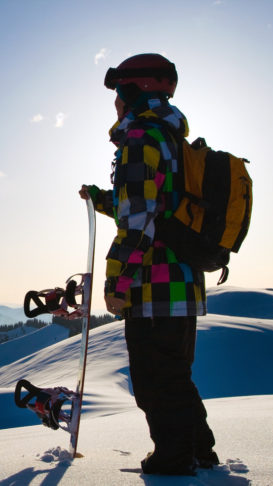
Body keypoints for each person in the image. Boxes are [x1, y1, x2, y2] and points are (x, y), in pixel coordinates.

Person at [79, 53, 219, 475]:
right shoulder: (170, 135)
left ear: (134, 90)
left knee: (155, 381)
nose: (115, 104)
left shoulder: (141, 137)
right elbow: (153, 206)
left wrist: (117, 281)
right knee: (175, 374)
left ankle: (174, 460)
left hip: (153, 283)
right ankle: (199, 450)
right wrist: (101, 197)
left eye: (118, 94)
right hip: (183, 281)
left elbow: (137, 221)